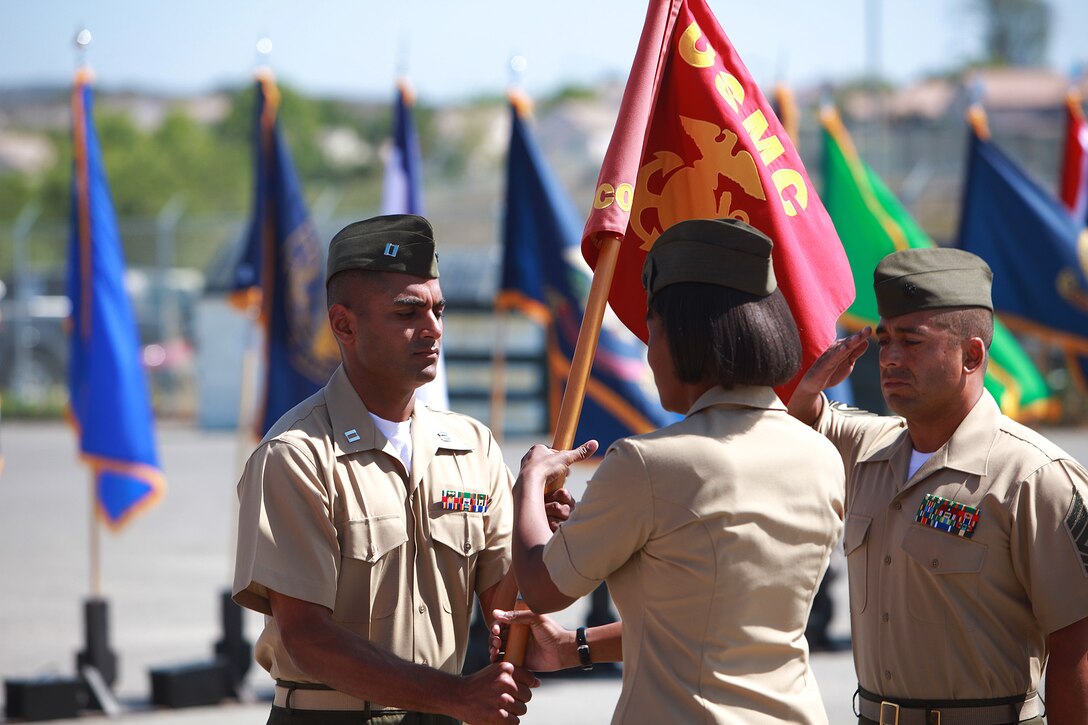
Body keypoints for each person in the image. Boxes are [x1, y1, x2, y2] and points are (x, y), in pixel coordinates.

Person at [501, 218, 846, 723]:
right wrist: (576, 647)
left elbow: (543, 587)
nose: (648, 351)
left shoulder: (648, 464)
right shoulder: (820, 455)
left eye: (653, 329)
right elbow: (725, 625)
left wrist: (529, 483)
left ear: (687, 338)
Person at [233, 214, 542, 725]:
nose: (433, 329)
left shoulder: (472, 447)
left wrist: (534, 515)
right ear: (344, 325)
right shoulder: (299, 455)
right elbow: (307, 639)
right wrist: (457, 696)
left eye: (438, 310)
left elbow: (505, 614)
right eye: (408, 312)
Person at [786, 247, 1088, 724]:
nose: (889, 358)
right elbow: (797, 428)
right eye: (885, 341)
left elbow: (1077, 644)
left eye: (912, 341)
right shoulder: (870, 449)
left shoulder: (1033, 475)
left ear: (971, 355)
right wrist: (808, 390)